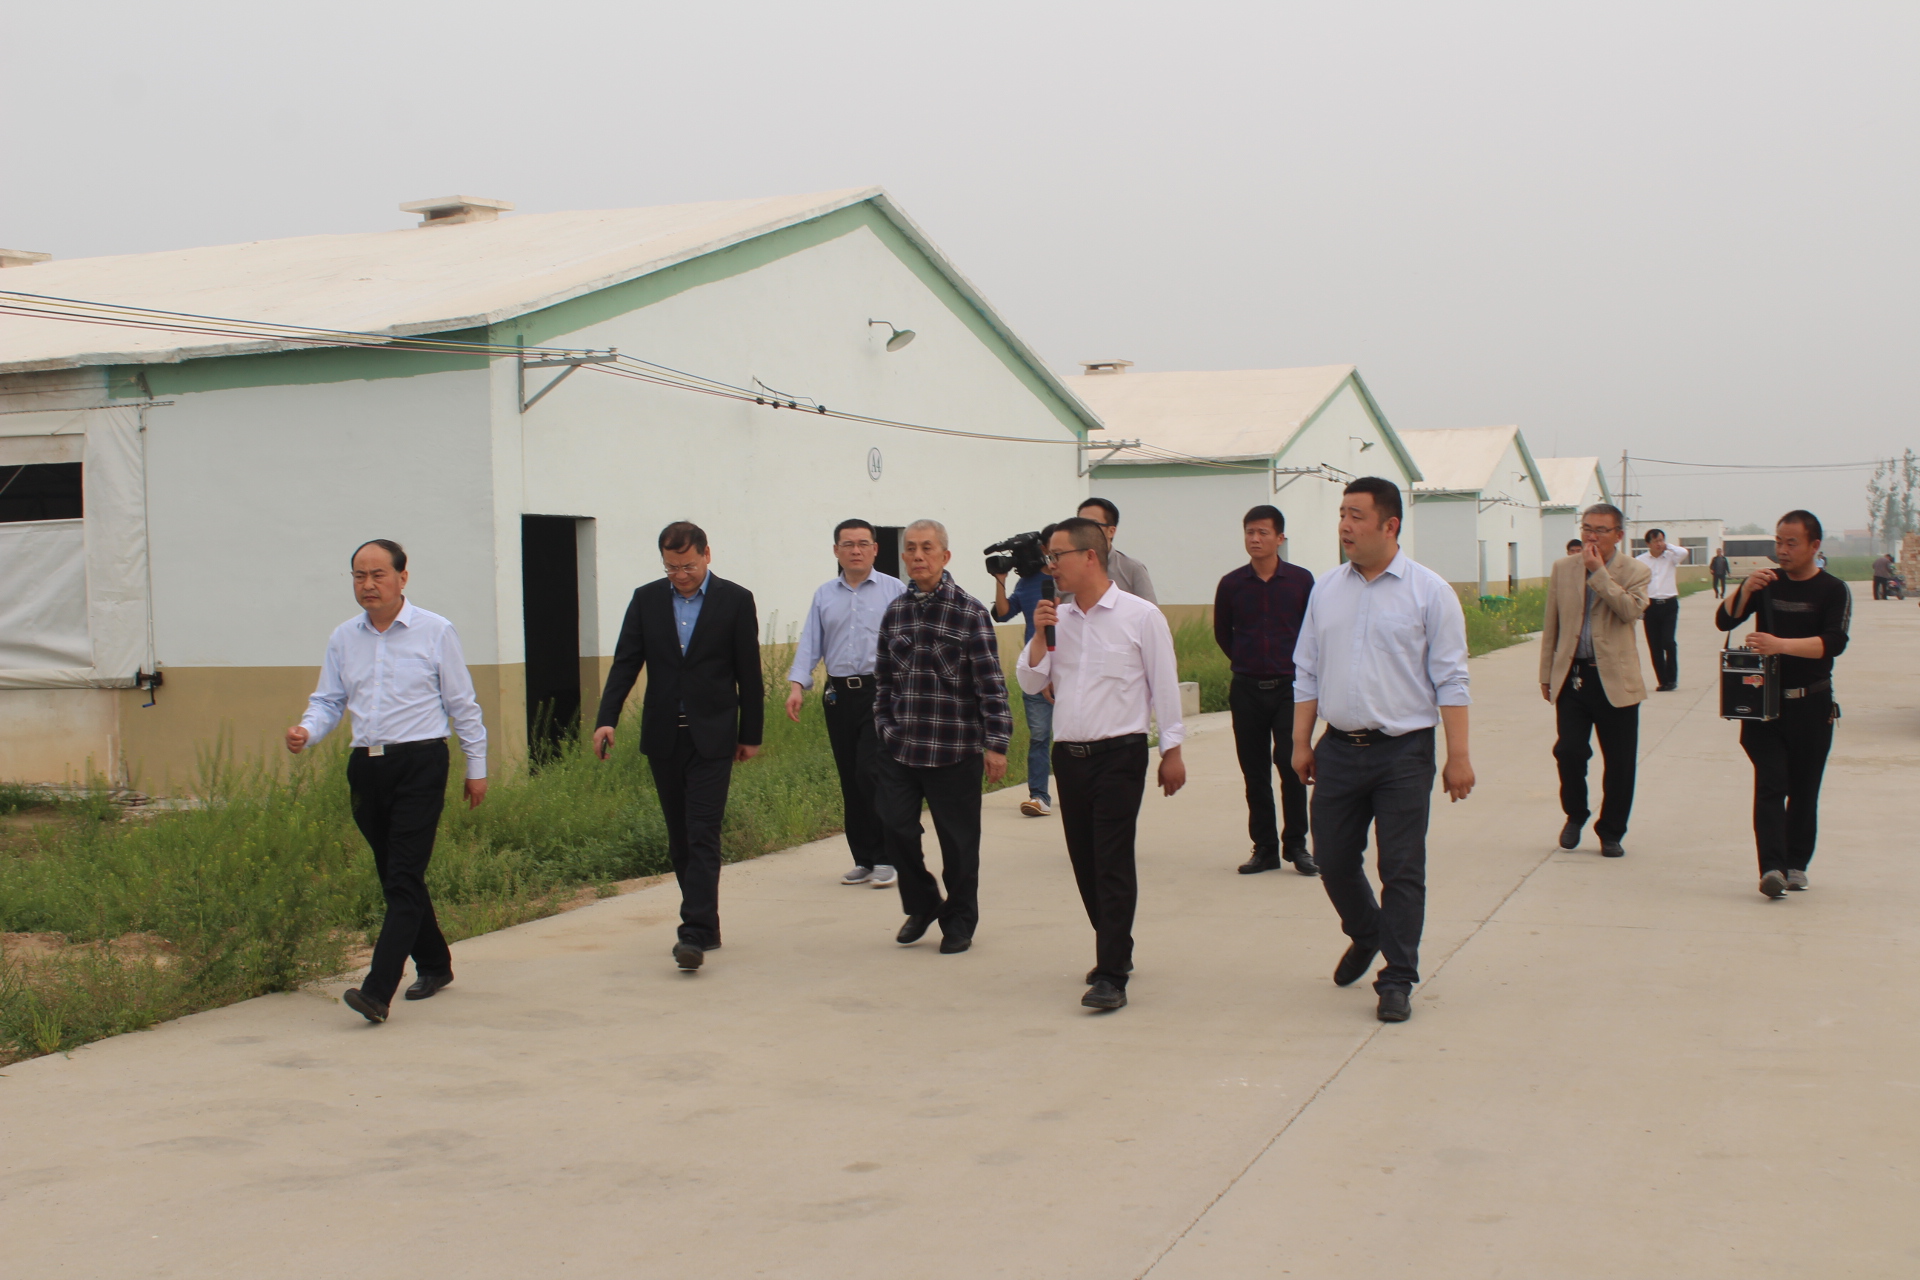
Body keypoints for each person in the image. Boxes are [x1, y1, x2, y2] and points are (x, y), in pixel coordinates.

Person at [1291, 478, 1473, 1025]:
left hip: (1403, 752)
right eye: (1341, 514)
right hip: (1338, 750)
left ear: (1390, 525)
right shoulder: (1326, 588)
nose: (1344, 526)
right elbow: (1307, 670)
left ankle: (1397, 977)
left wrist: (1458, 755)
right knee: (1332, 859)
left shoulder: (1430, 592)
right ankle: (1367, 930)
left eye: (1356, 516)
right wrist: (1301, 741)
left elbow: (1452, 679)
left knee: (1401, 868)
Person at [288, 539, 488, 1025]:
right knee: (397, 875)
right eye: (359, 576)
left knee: (401, 877)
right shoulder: (344, 638)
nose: (369, 584)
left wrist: (476, 767)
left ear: (402, 577)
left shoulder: (435, 631)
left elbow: (462, 704)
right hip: (367, 767)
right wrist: (307, 732)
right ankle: (435, 963)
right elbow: (329, 701)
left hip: (421, 763)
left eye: (378, 574)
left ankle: (378, 990)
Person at [1019, 517, 1186, 1010]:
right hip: (1070, 758)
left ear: (1089, 556)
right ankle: (1117, 945)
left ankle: (1111, 974)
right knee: (1085, 862)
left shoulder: (1140, 616)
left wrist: (1172, 750)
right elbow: (1031, 682)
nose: (1051, 566)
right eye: (1048, 558)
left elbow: (1164, 684)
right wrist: (1039, 634)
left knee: (1112, 860)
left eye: (1057, 556)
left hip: (1120, 755)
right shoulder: (1059, 619)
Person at [593, 522, 763, 973]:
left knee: (703, 831)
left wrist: (751, 734)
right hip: (665, 735)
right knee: (680, 837)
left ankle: (693, 932)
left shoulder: (735, 599)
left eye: (687, 566)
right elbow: (626, 662)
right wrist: (607, 718)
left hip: (714, 735)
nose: (680, 575)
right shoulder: (647, 599)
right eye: (671, 567)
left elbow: (749, 671)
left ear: (707, 554)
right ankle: (708, 926)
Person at [872, 519, 1012, 953]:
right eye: (911, 548)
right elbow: (883, 680)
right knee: (894, 829)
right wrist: (884, 725)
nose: (918, 556)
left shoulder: (969, 613)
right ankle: (923, 903)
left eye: (927, 548)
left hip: (955, 749)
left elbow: (991, 685)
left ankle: (960, 921)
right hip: (901, 747)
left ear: (945, 556)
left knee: (959, 844)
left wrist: (996, 745)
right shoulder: (895, 612)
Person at [1715, 511, 1851, 899]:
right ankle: (1771, 868)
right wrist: (1745, 590)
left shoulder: (1833, 590)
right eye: (1778, 542)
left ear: (1814, 546)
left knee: (1804, 790)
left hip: (1812, 705)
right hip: (1766, 705)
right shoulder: (1767, 583)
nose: (1783, 550)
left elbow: (1834, 643)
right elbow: (1724, 621)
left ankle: (1796, 864)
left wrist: (1780, 645)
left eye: (1792, 543)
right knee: (1771, 784)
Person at [787, 519, 908, 888]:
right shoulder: (824, 594)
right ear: (836, 550)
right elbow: (811, 642)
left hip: (881, 692)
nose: (856, 550)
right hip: (838, 696)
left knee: (871, 771)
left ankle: (887, 857)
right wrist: (797, 685)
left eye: (863, 543)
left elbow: (909, 642)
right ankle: (864, 859)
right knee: (850, 777)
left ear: (875, 549)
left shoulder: (894, 590)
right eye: (848, 544)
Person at [1539, 504, 1650, 858]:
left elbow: (1630, 611)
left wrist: (1598, 573)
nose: (1592, 536)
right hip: (1574, 676)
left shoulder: (1636, 570)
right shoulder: (1563, 568)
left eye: (1601, 530)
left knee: (1620, 762)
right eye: (1587, 528)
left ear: (1618, 535)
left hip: (1616, 679)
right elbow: (1552, 624)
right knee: (1568, 751)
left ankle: (1611, 831)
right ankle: (1575, 814)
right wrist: (1546, 674)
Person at [1213, 504, 1318, 876]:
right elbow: (1223, 633)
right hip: (1247, 689)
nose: (1255, 539)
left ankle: (1297, 846)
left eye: (1263, 532)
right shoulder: (1231, 584)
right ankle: (1265, 848)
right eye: (1249, 532)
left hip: (1290, 690)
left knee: (1292, 766)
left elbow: (1312, 632)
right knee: (1254, 772)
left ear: (1280, 538)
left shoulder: (1301, 581)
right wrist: (1248, 660)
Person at [991, 528, 1059, 819]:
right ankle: (1039, 796)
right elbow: (1004, 612)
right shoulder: (1028, 582)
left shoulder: (1070, 582)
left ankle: (1078, 790)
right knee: (1040, 737)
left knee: (1075, 738)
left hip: (1071, 671)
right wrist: (1000, 580)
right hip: (1037, 671)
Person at [1635, 529, 1689, 690]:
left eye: (1661, 540)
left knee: (1668, 641)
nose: (1659, 544)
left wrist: (1668, 546)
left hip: (1669, 604)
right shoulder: (1641, 561)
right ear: (1648, 543)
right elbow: (1636, 583)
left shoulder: (1671, 557)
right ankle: (1663, 680)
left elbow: (1684, 552)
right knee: (1655, 645)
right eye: (1656, 541)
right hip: (1650, 606)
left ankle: (1672, 679)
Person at [1076, 498, 1158, 603]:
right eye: (1080, 524)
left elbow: (1149, 611)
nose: (1084, 530)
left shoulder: (1132, 570)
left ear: (1111, 531)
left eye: (1093, 525)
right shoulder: (1065, 568)